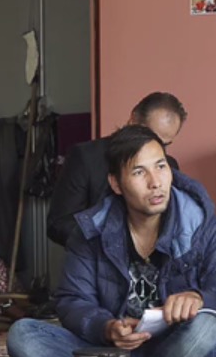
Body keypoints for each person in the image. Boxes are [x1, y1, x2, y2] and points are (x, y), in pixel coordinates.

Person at [9, 124, 216, 357]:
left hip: (178, 353)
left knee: (207, 331)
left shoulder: (201, 226)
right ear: (116, 184)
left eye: (161, 167)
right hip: (115, 352)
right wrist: (106, 327)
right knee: (23, 335)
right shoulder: (92, 230)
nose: (155, 182)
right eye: (139, 172)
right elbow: (72, 301)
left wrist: (201, 299)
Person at [45, 92, 196, 248]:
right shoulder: (86, 157)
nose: (155, 148)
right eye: (149, 137)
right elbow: (59, 224)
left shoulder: (170, 166)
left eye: (164, 144)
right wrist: (109, 245)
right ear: (133, 120)